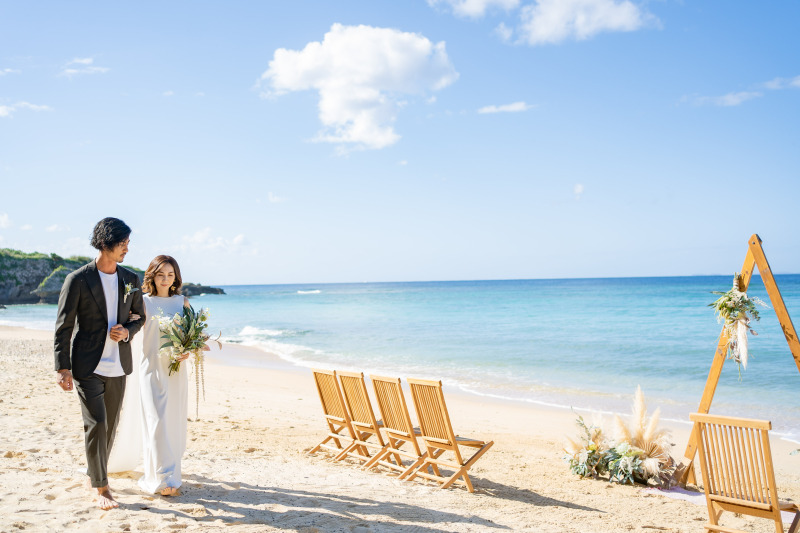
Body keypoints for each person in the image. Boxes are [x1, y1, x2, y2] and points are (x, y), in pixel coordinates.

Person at [54, 217, 146, 510]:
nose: (127, 250)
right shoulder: (78, 279)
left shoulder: (131, 279)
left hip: (118, 364)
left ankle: (95, 474)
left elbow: (139, 317)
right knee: (97, 423)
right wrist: (62, 368)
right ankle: (101, 488)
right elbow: (63, 327)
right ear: (106, 243)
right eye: (123, 243)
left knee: (110, 426)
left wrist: (127, 331)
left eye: (128, 244)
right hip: (86, 365)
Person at [136, 255, 194, 496]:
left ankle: (170, 473)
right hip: (150, 368)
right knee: (156, 420)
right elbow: (129, 329)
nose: (165, 279)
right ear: (152, 275)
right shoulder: (143, 302)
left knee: (172, 421)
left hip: (175, 371)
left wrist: (187, 352)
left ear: (176, 277)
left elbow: (192, 336)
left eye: (170, 275)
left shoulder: (183, 302)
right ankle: (163, 477)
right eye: (161, 274)